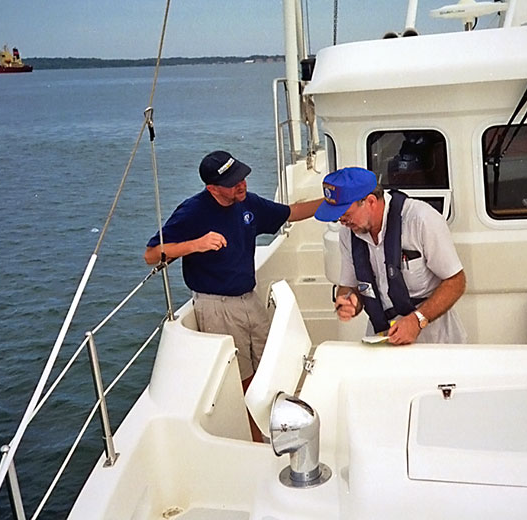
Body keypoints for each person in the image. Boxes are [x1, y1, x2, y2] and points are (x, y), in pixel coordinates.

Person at [144, 150, 322, 440]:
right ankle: (259, 442)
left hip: (249, 299)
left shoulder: (247, 203)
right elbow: (152, 254)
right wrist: (196, 244)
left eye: (242, 177)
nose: (242, 185)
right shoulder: (193, 212)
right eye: (232, 182)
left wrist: (333, 203)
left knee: (271, 364)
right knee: (242, 379)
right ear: (212, 188)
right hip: (217, 306)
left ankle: (279, 428)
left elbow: (290, 212)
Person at [315, 167, 467, 345]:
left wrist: (417, 320)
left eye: (346, 215)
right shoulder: (347, 234)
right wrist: (349, 301)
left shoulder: (421, 220)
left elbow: (456, 282)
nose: (342, 221)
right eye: (338, 218)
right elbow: (349, 287)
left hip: (435, 341)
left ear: (370, 201)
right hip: (382, 340)